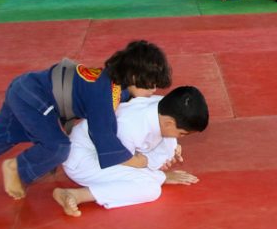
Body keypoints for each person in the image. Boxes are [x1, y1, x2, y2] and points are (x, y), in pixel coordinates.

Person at [0, 41, 172, 199]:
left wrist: (169, 138)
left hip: (25, 87)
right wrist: (134, 161)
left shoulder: (116, 84)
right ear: (133, 75)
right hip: (33, 98)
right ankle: (16, 169)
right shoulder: (103, 92)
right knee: (58, 147)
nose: (152, 91)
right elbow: (104, 137)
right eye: (150, 86)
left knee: (1, 135)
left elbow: (134, 114)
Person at [55, 87, 208, 216]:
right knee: (150, 189)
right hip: (84, 160)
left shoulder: (163, 107)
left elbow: (159, 144)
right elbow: (128, 161)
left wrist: (168, 154)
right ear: (169, 123)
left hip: (108, 152)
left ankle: (157, 175)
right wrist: (159, 174)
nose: (180, 137)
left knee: (157, 160)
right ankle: (77, 195)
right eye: (182, 133)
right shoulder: (131, 126)